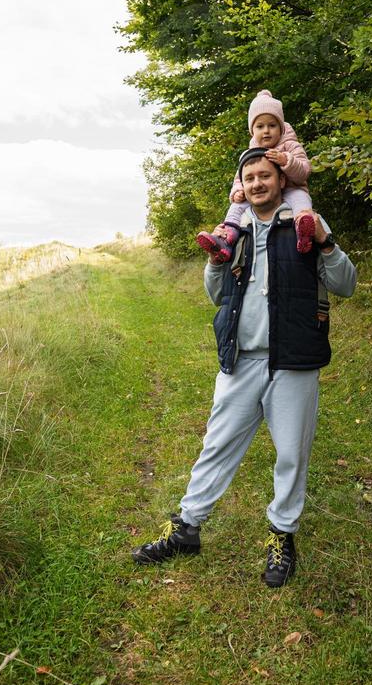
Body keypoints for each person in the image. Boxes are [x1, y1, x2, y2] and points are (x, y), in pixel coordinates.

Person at [134, 145, 357, 587]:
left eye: (265, 176)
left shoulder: (305, 223)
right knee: (216, 446)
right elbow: (216, 293)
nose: (258, 183)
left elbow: (345, 284)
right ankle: (186, 529)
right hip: (241, 360)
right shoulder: (232, 230)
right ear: (243, 185)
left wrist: (326, 243)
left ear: (280, 180)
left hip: (293, 363)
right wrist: (215, 261)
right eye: (250, 177)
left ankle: (282, 537)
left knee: (292, 455)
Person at [195, 90, 322, 263]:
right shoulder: (249, 154)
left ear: (281, 127)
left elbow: (305, 171)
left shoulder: (291, 146)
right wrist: (237, 191)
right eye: (260, 126)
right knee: (236, 206)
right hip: (262, 195)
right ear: (252, 131)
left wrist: (287, 161)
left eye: (272, 125)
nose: (266, 131)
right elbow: (240, 179)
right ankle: (226, 239)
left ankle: (303, 231)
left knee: (302, 202)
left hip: (293, 188)